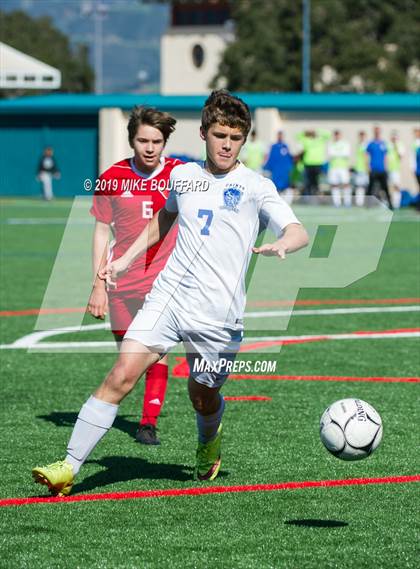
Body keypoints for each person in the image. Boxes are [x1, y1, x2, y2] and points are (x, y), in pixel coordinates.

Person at [32, 90, 309, 496]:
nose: (227, 144)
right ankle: (68, 467)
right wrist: (124, 260)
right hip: (168, 298)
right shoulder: (183, 177)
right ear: (203, 134)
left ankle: (208, 441)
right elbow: (165, 217)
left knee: (201, 395)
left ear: (245, 139)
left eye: (235, 137)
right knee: (122, 375)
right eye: (219, 135)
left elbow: (297, 229)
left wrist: (286, 242)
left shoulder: (257, 186)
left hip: (218, 315)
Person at [87, 106, 180, 445]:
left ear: (165, 141)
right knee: (128, 358)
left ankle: (147, 422)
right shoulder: (112, 177)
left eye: (157, 140)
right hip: (121, 284)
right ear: (132, 140)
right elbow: (101, 233)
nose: (150, 147)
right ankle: (111, 409)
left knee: (157, 350)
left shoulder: (180, 175)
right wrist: (98, 284)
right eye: (143, 140)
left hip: (164, 283)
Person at [296, 128, 331, 196]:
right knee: (308, 182)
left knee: (317, 182)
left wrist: (317, 131)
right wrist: (306, 131)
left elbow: (328, 135)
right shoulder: (306, 140)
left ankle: (316, 196)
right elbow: (297, 136)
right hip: (308, 164)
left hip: (318, 164)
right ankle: (308, 197)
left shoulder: (320, 140)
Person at [366, 126, 393, 209]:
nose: (377, 133)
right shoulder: (371, 144)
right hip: (373, 169)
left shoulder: (383, 143)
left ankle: (390, 204)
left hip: (382, 169)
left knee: (385, 188)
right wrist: (368, 167)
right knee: (371, 187)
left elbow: (385, 156)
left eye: (378, 132)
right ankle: (368, 204)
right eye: (376, 132)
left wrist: (386, 167)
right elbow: (366, 156)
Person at [264, 131, 294, 204]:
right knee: (275, 186)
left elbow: (289, 159)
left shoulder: (285, 146)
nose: (280, 137)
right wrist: (267, 167)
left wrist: (289, 168)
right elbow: (270, 158)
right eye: (279, 135)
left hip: (284, 172)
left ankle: (285, 203)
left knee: (285, 186)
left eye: (281, 135)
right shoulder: (273, 146)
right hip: (276, 171)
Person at [327, 130, 351, 207]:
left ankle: (347, 202)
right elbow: (330, 154)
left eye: (338, 134)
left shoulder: (345, 144)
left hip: (343, 167)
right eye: (335, 134)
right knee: (334, 185)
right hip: (333, 167)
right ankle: (336, 203)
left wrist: (336, 153)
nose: (337, 136)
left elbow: (346, 154)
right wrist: (339, 153)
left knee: (345, 184)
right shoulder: (331, 144)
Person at [387, 130, 405, 209]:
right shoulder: (388, 145)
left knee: (396, 185)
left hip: (396, 169)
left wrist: (396, 146)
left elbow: (400, 156)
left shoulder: (400, 145)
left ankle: (396, 203)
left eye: (395, 136)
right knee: (389, 186)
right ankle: (390, 202)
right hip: (388, 168)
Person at [354, 131, 369, 207]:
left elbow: (367, 156)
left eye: (363, 136)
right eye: (360, 135)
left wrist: (368, 167)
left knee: (366, 185)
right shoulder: (358, 145)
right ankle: (359, 202)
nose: (362, 137)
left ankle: (367, 202)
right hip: (359, 168)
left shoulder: (367, 145)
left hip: (365, 168)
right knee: (359, 186)